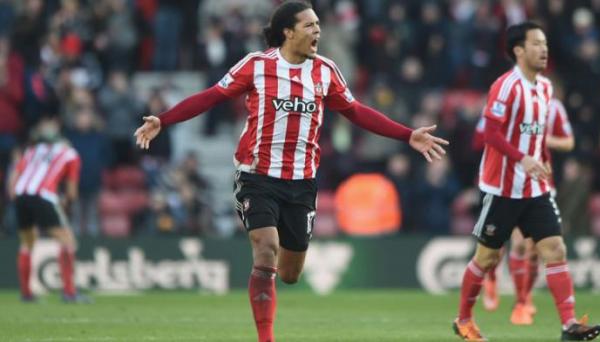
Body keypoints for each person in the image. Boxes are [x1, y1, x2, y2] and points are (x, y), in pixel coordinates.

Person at [134, 2, 448, 341]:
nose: (318, 31)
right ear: (288, 32)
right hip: (257, 175)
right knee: (266, 246)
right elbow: (211, 96)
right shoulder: (256, 66)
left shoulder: (325, 71)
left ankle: (272, 275)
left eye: (317, 25)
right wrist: (163, 120)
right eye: (310, 25)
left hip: (301, 181)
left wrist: (407, 134)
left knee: (290, 273)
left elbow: (356, 112)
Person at [452, 22, 600, 341]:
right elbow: (491, 134)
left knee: (555, 248)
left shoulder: (546, 89)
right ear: (519, 50)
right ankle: (464, 319)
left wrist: (540, 165)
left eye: (545, 44)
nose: (543, 49)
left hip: (535, 188)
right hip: (503, 188)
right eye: (536, 44)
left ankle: (569, 325)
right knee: (487, 258)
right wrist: (523, 160)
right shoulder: (506, 86)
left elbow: (537, 139)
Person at [477, 96, 576, 325]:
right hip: (509, 182)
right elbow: (486, 135)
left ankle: (522, 300)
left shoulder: (553, 107)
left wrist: (543, 139)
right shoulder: (504, 103)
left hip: (541, 182)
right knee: (509, 245)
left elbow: (568, 142)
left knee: (532, 248)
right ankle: (492, 276)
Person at [8, 115, 88, 303]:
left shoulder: (33, 150)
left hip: (21, 195)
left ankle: (26, 294)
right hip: (44, 196)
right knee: (68, 241)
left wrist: (16, 197)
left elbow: (14, 178)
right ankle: (69, 292)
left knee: (27, 243)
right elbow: (72, 192)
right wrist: (65, 204)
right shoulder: (71, 154)